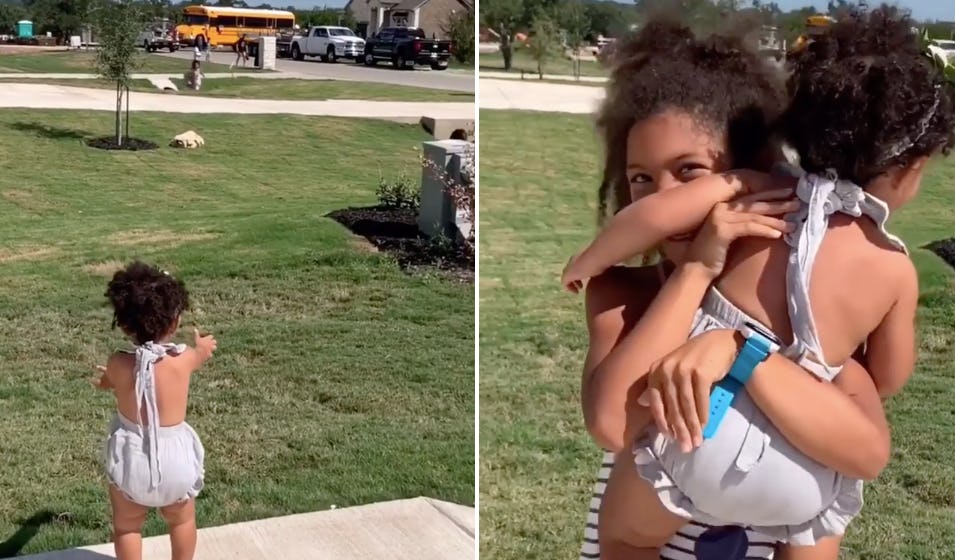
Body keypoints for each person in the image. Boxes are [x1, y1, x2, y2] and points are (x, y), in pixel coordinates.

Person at [565, 7, 954, 560]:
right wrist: (824, 363)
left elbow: (647, 221)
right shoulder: (889, 263)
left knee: (625, 539)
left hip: (696, 445)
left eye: (689, 174)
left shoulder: (764, 195)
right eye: (640, 179)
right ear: (912, 168)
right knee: (820, 517)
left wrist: (587, 259)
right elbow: (888, 376)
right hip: (802, 476)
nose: (665, 199)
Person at [91, 262, 218, 560]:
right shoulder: (183, 359)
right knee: (182, 520)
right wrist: (204, 347)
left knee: (127, 527)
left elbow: (113, 381)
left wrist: (107, 381)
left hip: (133, 459)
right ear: (175, 321)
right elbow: (201, 355)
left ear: (123, 324)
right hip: (176, 462)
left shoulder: (119, 363)